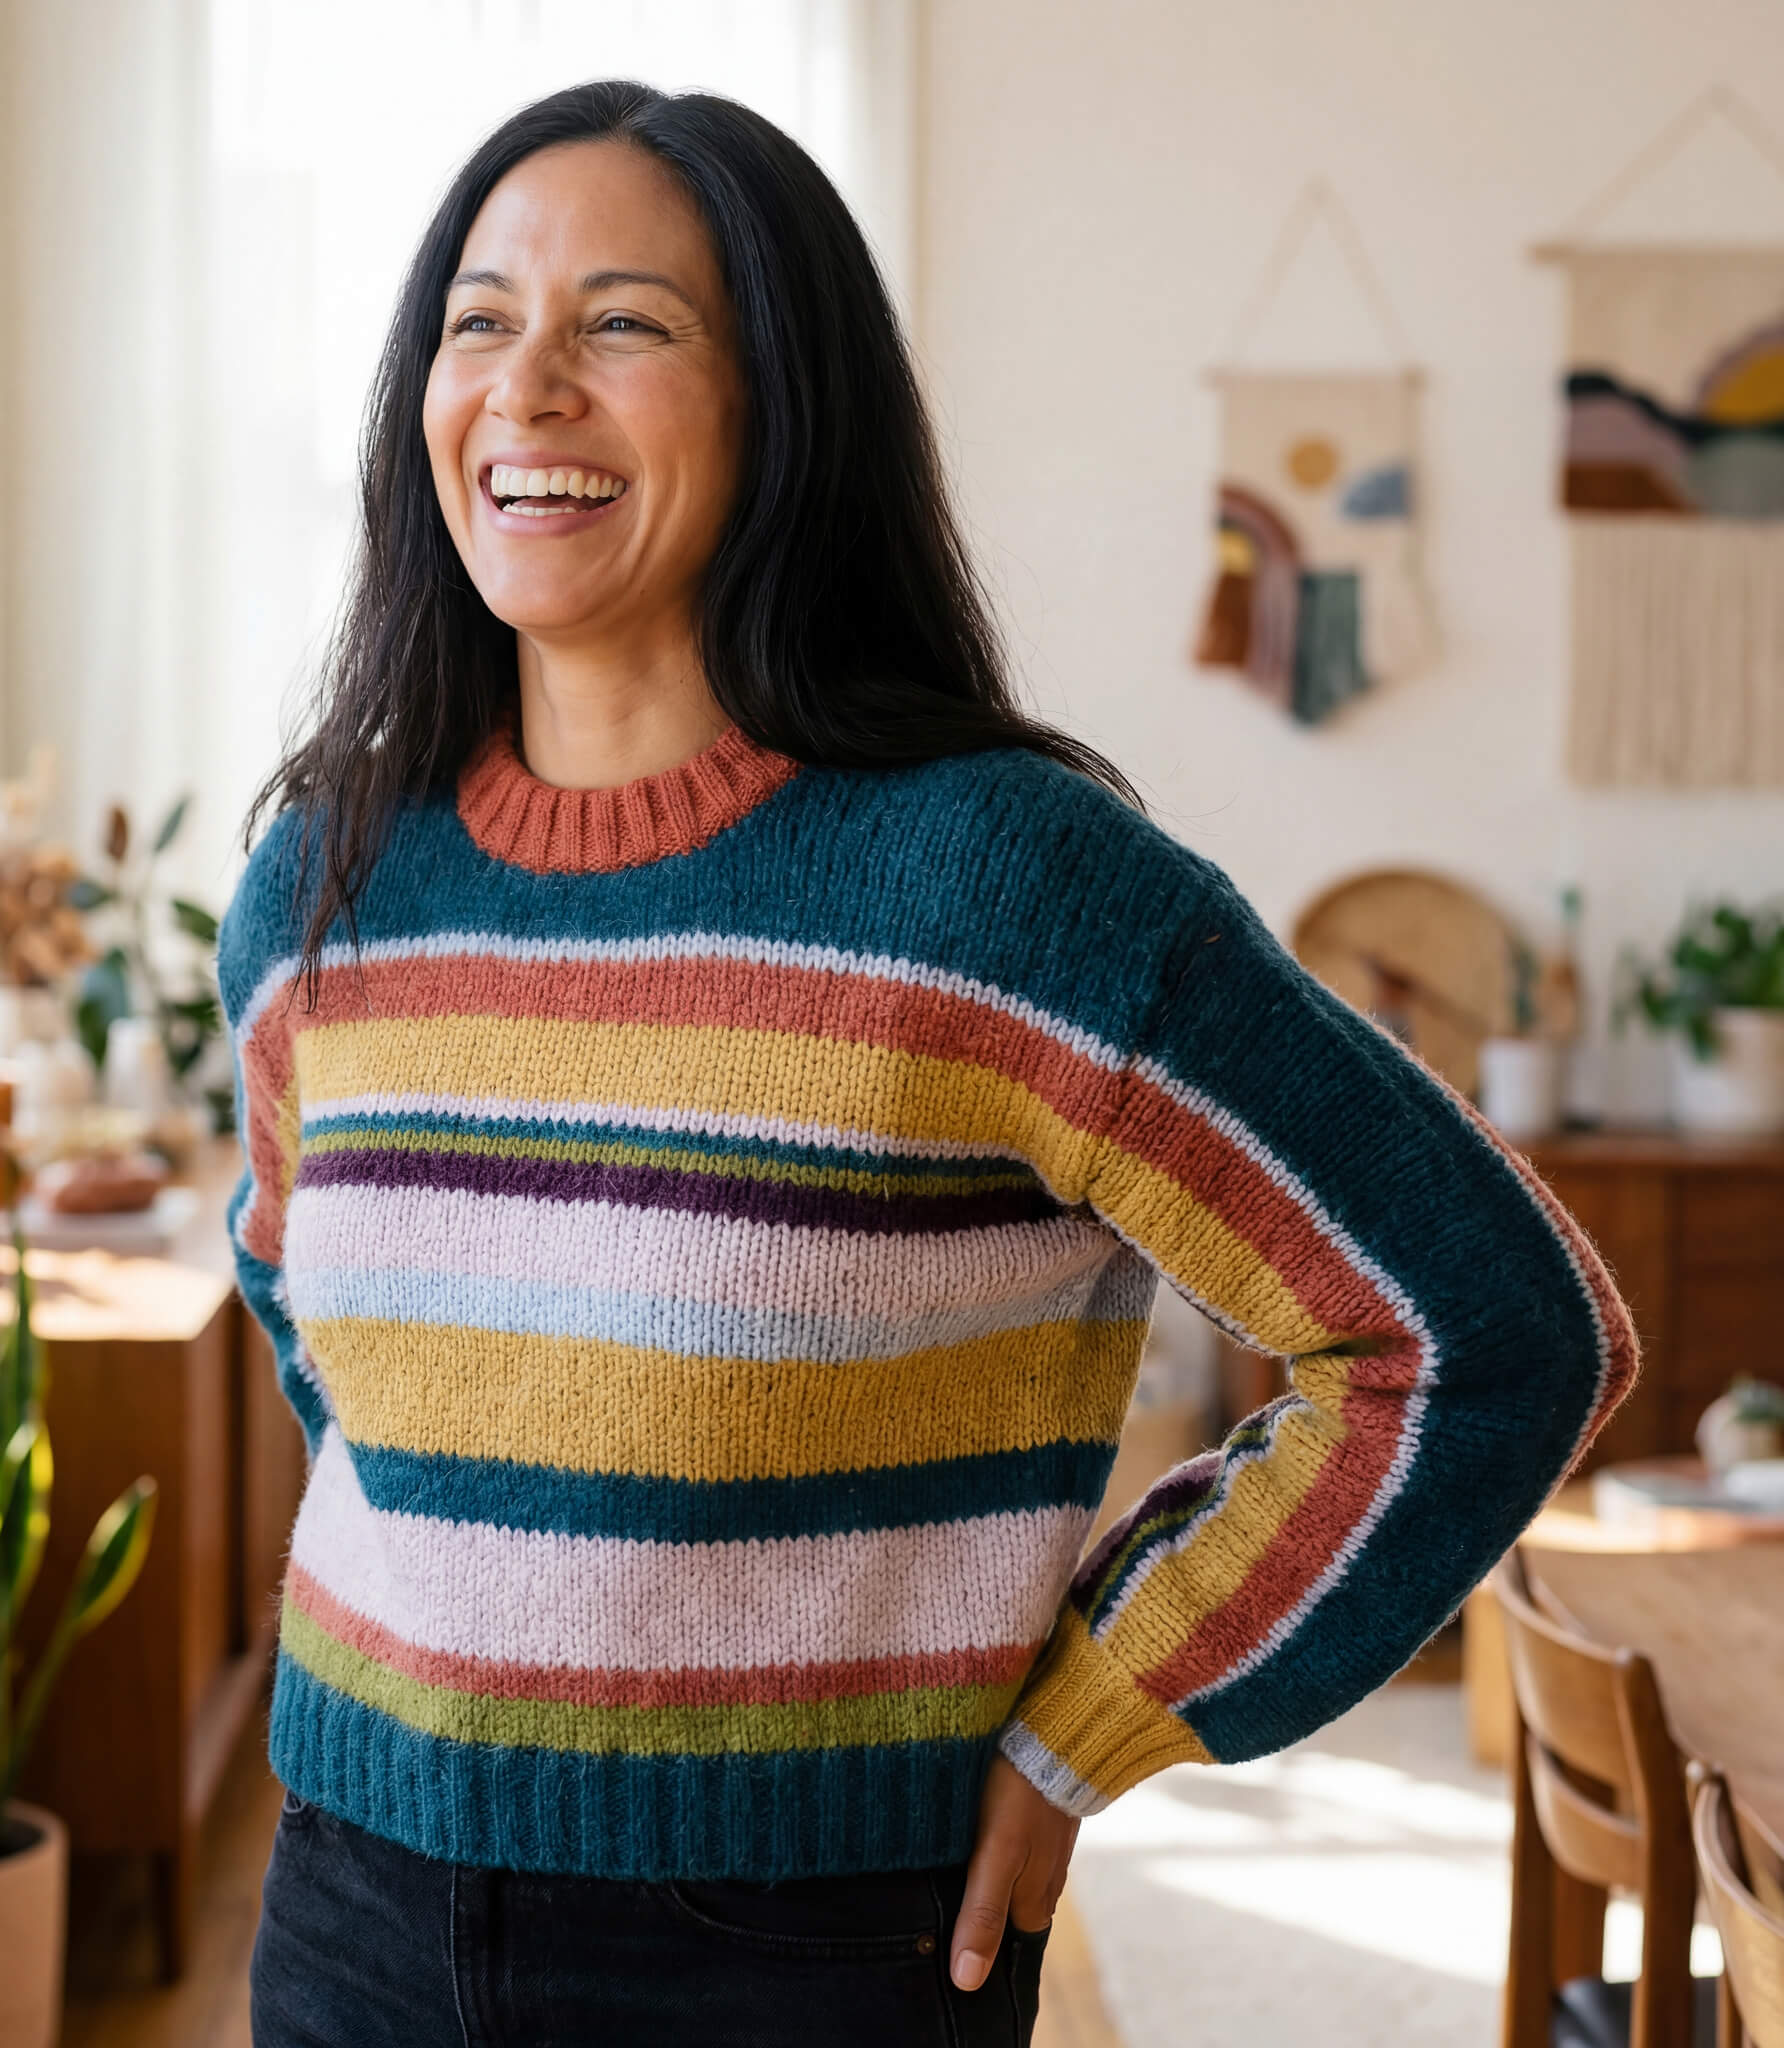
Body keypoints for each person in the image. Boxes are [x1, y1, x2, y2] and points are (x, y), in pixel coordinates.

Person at [220, 79, 1635, 2048]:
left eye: (623, 321)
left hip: (796, 1949)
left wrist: (1085, 1726)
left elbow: (1478, 1328)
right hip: (349, 1897)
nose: (527, 384)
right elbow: (302, 1296)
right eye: (478, 318)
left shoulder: (1000, 886)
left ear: (784, 399)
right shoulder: (327, 869)